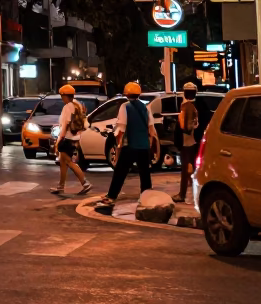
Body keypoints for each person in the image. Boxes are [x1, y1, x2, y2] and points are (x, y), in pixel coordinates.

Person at [95, 81, 158, 215]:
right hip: (144, 147)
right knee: (145, 174)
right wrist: (151, 146)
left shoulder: (125, 107)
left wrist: (118, 146)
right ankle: (146, 199)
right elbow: (151, 130)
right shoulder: (145, 107)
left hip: (130, 146)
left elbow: (121, 129)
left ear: (126, 94)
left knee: (120, 172)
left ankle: (111, 197)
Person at [52, 84, 92, 196]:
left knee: (68, 161)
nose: (61, 98)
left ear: (65, 96)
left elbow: (65, 125)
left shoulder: (67, 107)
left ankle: (85, 183)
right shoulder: (78, 104)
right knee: (63, 162)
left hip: (67, 138)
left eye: (62, 96)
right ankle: (60, 186)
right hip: (76, 137)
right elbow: (85, 122)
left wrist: (59, 139)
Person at [173, 82, 199, 204]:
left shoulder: (185, 106)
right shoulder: (195, 106)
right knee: (194, 168)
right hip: (194, 141)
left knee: (185, 169)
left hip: (186, 142)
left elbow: (183, 126)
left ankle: (182, 195)